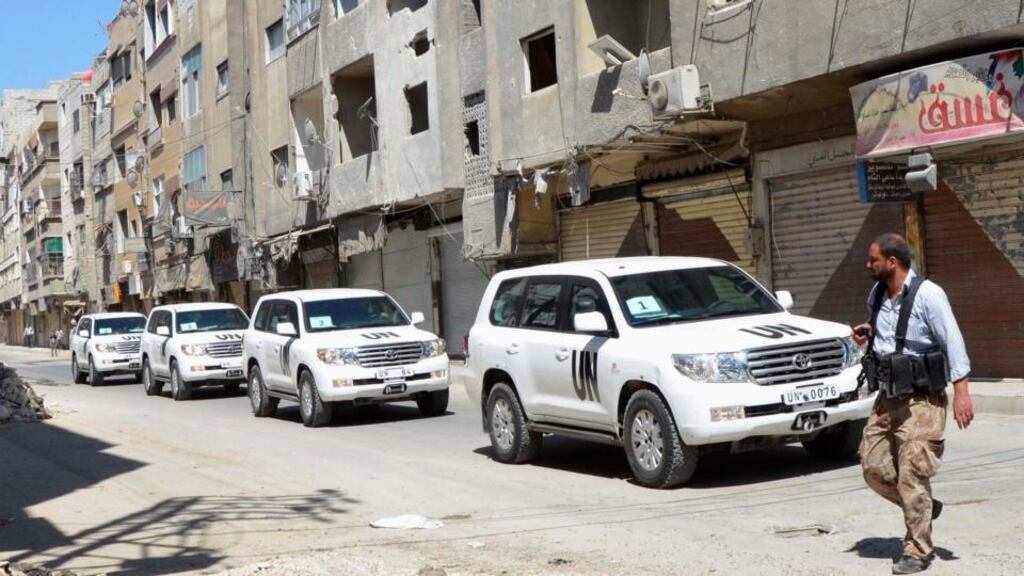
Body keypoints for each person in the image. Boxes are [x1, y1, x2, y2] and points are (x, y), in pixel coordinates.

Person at [852, 233, 974, 575]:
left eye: (873, 259)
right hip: (887, 397)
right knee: (873, 468)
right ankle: (922, 506)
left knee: (912, 475)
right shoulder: (877, 293)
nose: (868, 265)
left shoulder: (929, 295)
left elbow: (953, 342)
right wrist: (867, 331)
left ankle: (917, 549)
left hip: (923, 400)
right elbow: (884, 331)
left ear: (892, 262)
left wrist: (962, 392)